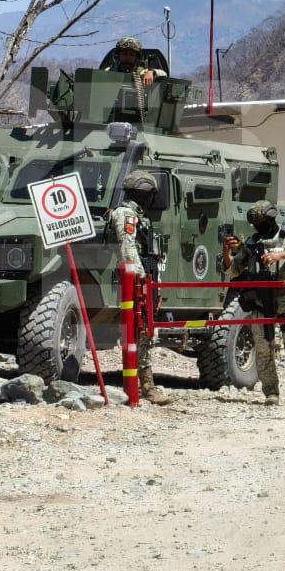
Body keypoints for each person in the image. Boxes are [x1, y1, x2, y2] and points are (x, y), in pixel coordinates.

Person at [222, 200, 285, 409]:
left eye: (261, 222)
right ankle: (271, 392)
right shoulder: (252, 243)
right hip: (261, 302)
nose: (258, 227)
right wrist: (228, 253)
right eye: (256, 224)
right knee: (263, 349)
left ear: (271, 218)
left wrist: (280, 254)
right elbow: (233, 271)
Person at [107, 171, 172, 405]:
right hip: (135, 283)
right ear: (144, 194)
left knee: (144, 332)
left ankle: (142, 383)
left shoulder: (138, 215)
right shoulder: (126, 214)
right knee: (141, 332)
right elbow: (128, 249)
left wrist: (156, 287)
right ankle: (145, 386)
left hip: (144, 281)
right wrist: (142, 281)